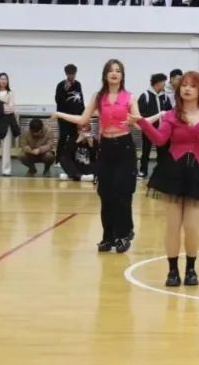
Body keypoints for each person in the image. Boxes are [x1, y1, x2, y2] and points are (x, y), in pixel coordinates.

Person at [132, 72, 199, 286]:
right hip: (173, 172)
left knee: (192, 227)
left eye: (192, 85)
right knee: (172, 226)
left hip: (198, 172)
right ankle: (172, 270)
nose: (187, 89)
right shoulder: (171, 115)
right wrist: (142, 122)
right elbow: (160, 140)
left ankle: (191, 269)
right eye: (184, 85)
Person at [56, 60, 145, 253]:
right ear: (105, 75)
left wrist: (137, 121)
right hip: (105, 147)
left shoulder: (130, 97)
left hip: (124, 147)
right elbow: (83, 119)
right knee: (105, 192)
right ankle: (108, 237)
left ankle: (123, 234)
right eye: (111, 71)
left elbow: (139, 123)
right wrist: (60, 114)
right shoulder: (98, 97)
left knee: (122, 192)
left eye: (118, 71)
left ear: (122, 75)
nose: (114, 73)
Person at [137, 73, 171, 178]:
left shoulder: (165, 96)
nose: (164, 84)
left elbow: (169, 112)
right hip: (149, 129)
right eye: (163, 82)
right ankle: (143, 171)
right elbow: (140, 115)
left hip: (162, 130)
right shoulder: (145, 96)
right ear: (157, 83)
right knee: (146, 150)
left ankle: (161, 171)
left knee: (162, 151)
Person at [54, 64, 84, 164]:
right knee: (63, 136)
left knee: (74, 137)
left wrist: (83, 114)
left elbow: (80, 100)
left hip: (75, 116)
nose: (71, 76)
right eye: (69, 74)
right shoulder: (61, 85)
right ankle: (58, 159)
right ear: (66, 74)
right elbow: (58, 100)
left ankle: (72, 159)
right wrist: (65, 90)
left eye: (73, 74)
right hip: (64, 116)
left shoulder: (78, 84)